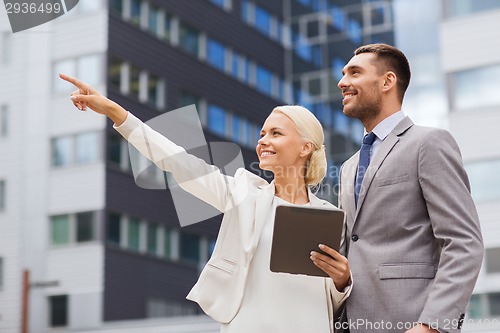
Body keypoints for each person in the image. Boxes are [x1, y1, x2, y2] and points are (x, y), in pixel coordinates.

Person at [59, 73, 352, 333]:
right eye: (262, 133)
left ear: (305, 147)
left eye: (276, 133)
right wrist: (115, 112)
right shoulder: (243, 193)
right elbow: (177, 162)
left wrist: (342, 281)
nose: (262, 141)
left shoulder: (329, 216)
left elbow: (330, 296)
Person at [334, 44, 484, 332]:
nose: (342, 82)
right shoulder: (348, 167)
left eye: (354, 72)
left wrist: (431, 324)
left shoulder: (428, 143)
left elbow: (464, 242)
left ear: (388, 81)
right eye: (343, 74)